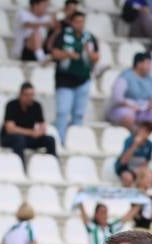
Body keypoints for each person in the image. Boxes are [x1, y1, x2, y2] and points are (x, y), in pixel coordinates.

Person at [48, 9, 99, 146]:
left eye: (82, 22)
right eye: (77, 21)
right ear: (71, 22)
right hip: (65, 80)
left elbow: (96, 56)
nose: (80, 24)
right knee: (63, 112)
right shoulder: (63, 35)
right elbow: (54, 53)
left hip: (83, 79)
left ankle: (74, 141)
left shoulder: (89, 37)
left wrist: (88, 53)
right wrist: (68, 55)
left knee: (79, 114)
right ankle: (60, 141)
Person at [107, 53, 152, 132]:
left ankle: (148, 139)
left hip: (144, 109)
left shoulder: (150, 79)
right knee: (128, 116)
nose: (150, 66)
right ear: (139, 64)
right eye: (148, 63)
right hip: (125, 108)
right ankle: (136, 138)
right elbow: (117, 97)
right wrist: (131, 106)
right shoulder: (125, 76)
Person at [0, 83, 57, 162]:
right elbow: (10, 129)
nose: (30, 98)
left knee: (50, 140)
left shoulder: (36, 106)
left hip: (27, 138)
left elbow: (43, 126)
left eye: (32, 95)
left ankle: (52, 165)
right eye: (27, 95)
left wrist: (39, 132)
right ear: (20, 95)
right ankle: (20, 167)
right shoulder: (11, 105)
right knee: (19, 139)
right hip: (9, 138)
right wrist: (31, 132)